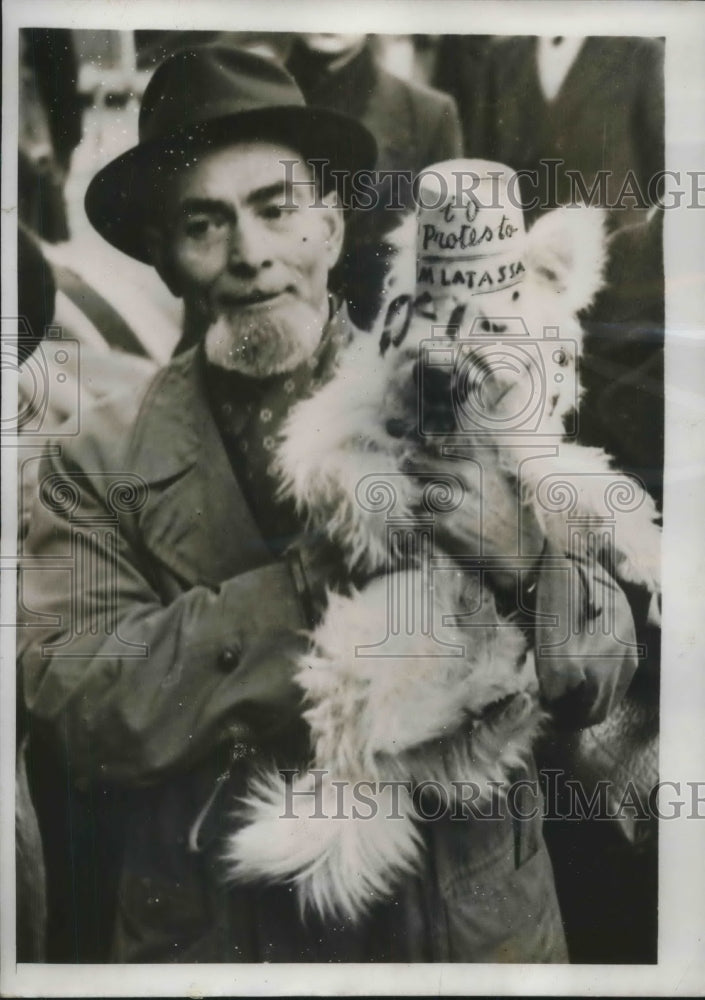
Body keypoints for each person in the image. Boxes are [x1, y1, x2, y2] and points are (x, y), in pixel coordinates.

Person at [18, 44, 637, 964]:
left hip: (461, 935)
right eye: (204, 223)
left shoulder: (463, 384)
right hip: (224, 940)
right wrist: (303, 583)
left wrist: (525, 564)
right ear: (163, 256)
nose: (253, 254)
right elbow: (83, 705)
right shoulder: (97, 460)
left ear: (334, 226)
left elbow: (600, 677)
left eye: (279, 210)